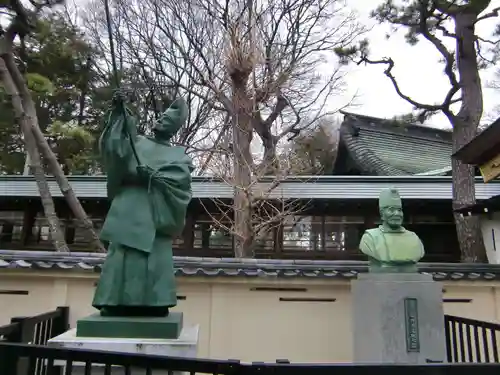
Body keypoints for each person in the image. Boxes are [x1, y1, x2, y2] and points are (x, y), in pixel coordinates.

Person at [92, 92, 193, 317]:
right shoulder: (135, 142)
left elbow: (180, 183)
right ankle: (113, 301)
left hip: (153, 213)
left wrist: (154, 177)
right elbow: (115, 149)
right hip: (128, 207)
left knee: (154, 258)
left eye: (167, 119)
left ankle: (155, 302)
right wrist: (120, 113)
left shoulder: (179, 156)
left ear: (173, 128)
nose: (160, 120)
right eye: (161, 116)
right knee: (120, 257)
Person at [359, 187, 424, 273]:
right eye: (391, 210)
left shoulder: (413, 237)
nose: (397, 214)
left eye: (399, 210)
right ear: (382, 214)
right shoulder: (370, 237)